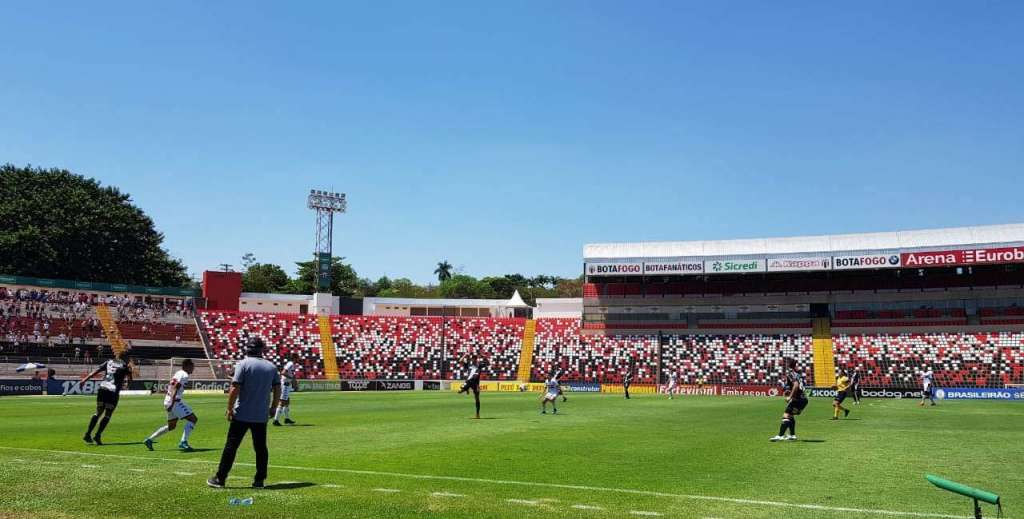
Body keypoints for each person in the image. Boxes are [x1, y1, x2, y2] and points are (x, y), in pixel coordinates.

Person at [208, 338, 281, 489]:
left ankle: (220, 478)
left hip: (242, 413)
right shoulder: (271, 367)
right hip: (260, 415)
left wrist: (229, 408)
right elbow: (277, 389)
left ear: (247, 349)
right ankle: (259, 480)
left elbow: (235, 388)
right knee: (260, 448)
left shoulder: (243, 364)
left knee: (231, 446)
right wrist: (273, 407)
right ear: (261, 350)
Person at [144, 359, 198, 451]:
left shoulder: (178, 373)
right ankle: (183, 442)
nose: (193, 369)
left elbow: (173, 386)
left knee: (171, 426)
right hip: (174, 402)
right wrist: (172, 404)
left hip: (169, 400)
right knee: (193, 419)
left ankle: (149, 440)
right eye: (192, 367)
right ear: (187, 366)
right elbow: (175, 387)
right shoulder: (184, 375)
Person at [82, 349, 132, 446]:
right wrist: (126, 385)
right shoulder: (125, 366)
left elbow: (96, 371)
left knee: (98, 412)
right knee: (108, 414)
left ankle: (87, 434)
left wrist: (84, 379)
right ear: (126, 358)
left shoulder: (109, 362)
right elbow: (130, 380)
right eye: (129, 358)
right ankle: (97, 435)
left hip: (103, 388)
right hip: (112, 392)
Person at [770, 358, 808, 442]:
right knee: (791, 416)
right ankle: (792, 435)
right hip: (804, 399)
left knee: (786, 415)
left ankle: (780, 436)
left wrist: (790, 397)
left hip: (797, 399)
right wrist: (790, 391)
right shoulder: (798, 375)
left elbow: (796, 385)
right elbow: (800, 386)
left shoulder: (791, 373)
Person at [273, 353, 300, 426]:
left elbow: (291, 374)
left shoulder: (292, 364)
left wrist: (294, 382)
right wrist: (291, 378)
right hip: (285, 384)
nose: (299, 359)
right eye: (298, 358)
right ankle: (276, 420)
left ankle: (286, 419)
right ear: (294, 358)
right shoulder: (290, 364)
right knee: (282, 402)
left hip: (287, 384)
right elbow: (283, 372)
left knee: (287, 401)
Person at [456, 354, 485, 419]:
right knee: (459, 391)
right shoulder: (469, 365)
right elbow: (460, 361)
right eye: (473, 358)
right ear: (472, 359)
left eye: (475, 358)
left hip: (476, 384)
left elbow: (488, 363)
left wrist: (484, 356)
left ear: (476, 359)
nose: (474, 359)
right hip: (469, 381)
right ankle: (466, 388)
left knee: (477, 398)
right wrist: (465, 355)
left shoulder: (479, 365)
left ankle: (477, 414)